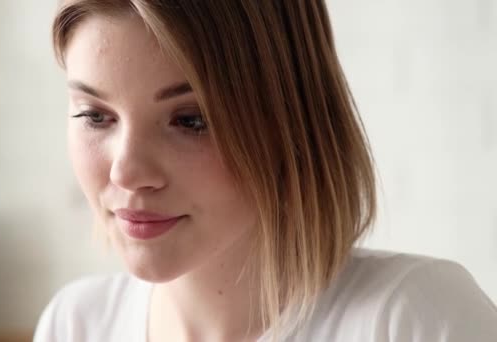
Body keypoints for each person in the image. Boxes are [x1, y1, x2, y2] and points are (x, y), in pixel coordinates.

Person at [33, 1, 497, 341]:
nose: (127, 172)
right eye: (95, 115)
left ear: (290, 120)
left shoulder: (413, 319)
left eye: (191, 120)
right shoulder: (75, 325)